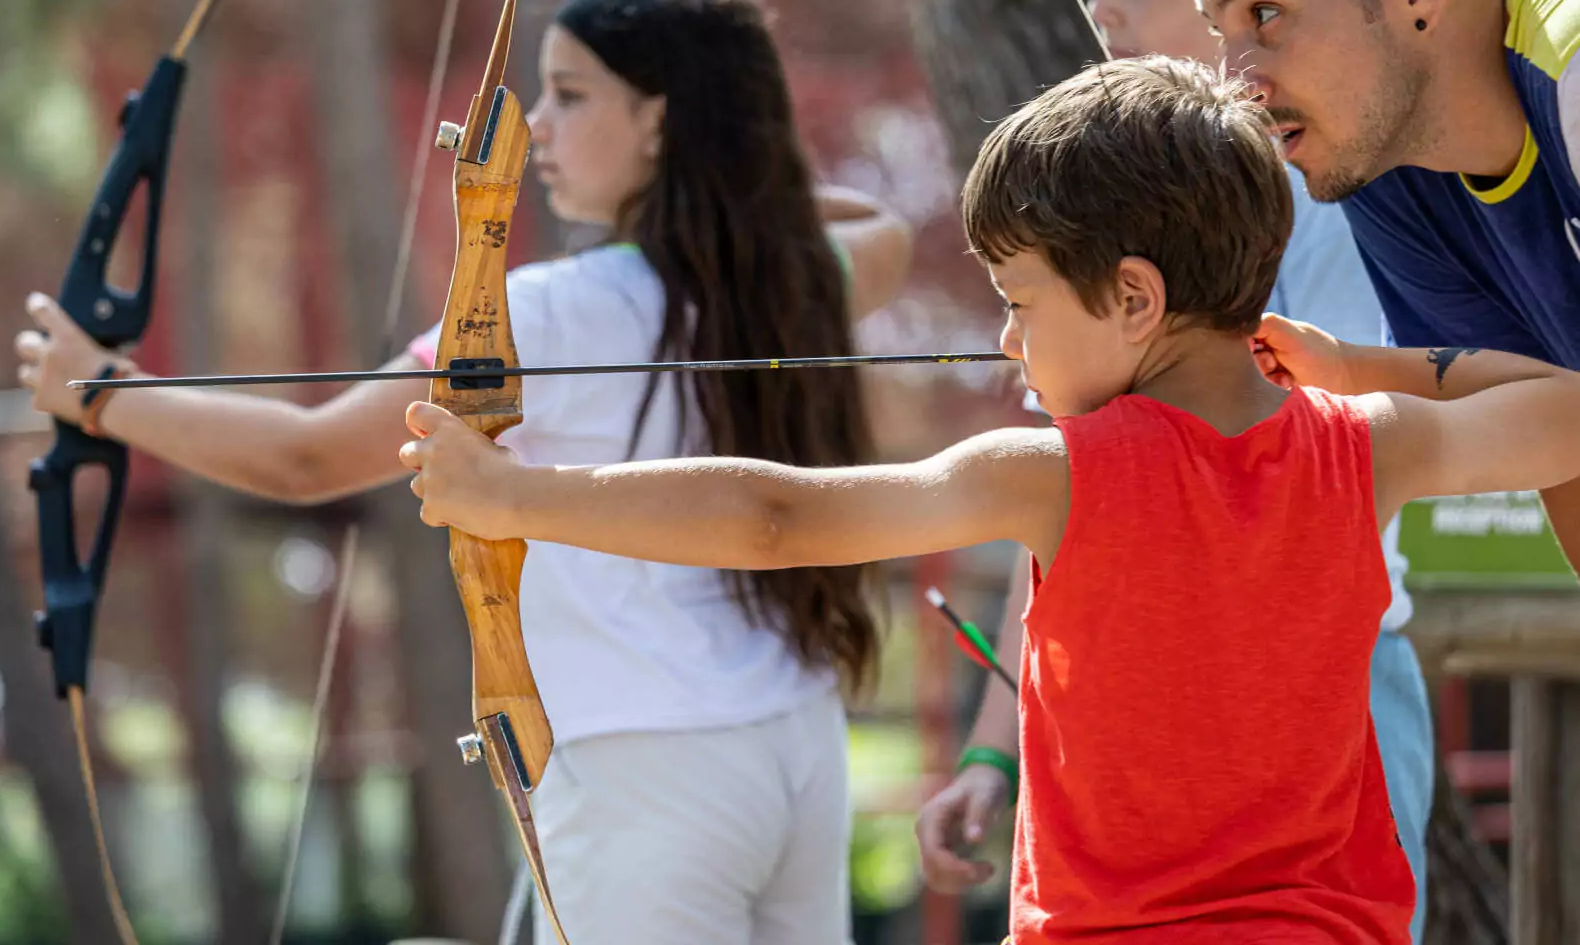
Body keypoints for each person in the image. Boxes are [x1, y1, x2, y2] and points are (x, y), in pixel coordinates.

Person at [403, 55, 1580, 944]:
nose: (1009, 338)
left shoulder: (1056, 471)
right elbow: (1563, 405)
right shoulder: (1365, 447)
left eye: (1020, 298)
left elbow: (779, 517)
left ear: (1131, 297)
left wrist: (515, 495)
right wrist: (1367, 368)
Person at [15, 0, 915, 945]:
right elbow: (885, 233)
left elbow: (308, 460)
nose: (538, 129)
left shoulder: (542, 313)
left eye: (571, 97)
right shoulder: (808, 280)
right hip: (796, 748)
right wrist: (749, 197)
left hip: (644, 776)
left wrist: (101, 394)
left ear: (660, 121)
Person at [914, 0, 1434, 942]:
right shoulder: (1120, 223)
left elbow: (1328, 448)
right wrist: (998, 748)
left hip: (1319, 701)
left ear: (1245, 10)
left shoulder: (1335, 203)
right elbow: (1070, 491)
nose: (1100, 8)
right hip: (1148, 712)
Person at [1190, 0, 1580, 568]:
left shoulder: (1573, 62)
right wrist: (1347, 372)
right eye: (1220, 36)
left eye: (1264, 14)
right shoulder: (1377, 158)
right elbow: (1560, 437)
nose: (1235, 86)